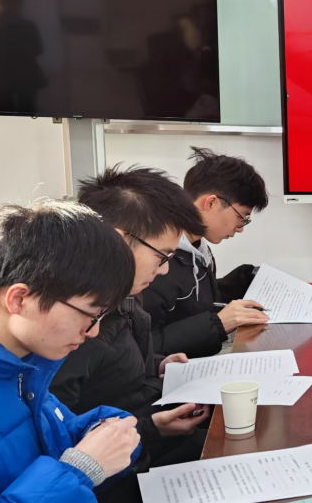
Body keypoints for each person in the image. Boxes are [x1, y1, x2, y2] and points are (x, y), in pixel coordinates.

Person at [0, 201, 141, 502]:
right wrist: (80, 471)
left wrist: (104, 429)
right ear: (19, 299)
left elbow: (51, 434)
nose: (93, 331)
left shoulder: (18, 365)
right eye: (90, 314)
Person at [50, 166, 212, 498]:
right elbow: (61, 440)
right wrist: (150, 429)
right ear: (119, 240)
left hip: (142, 439)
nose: (164, 270)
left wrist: (156, 363)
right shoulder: (69, 327)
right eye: (162, 256)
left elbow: (113, 369)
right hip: (115, 478)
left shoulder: (124, 296)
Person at [143, 146, 270, 358]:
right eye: (242, 217)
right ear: (211, 203)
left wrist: (241, 282)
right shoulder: (155, 260)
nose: (240, 228)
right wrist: (218, 324)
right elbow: (145, 346)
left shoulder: (198, 248)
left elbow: (191, 305)